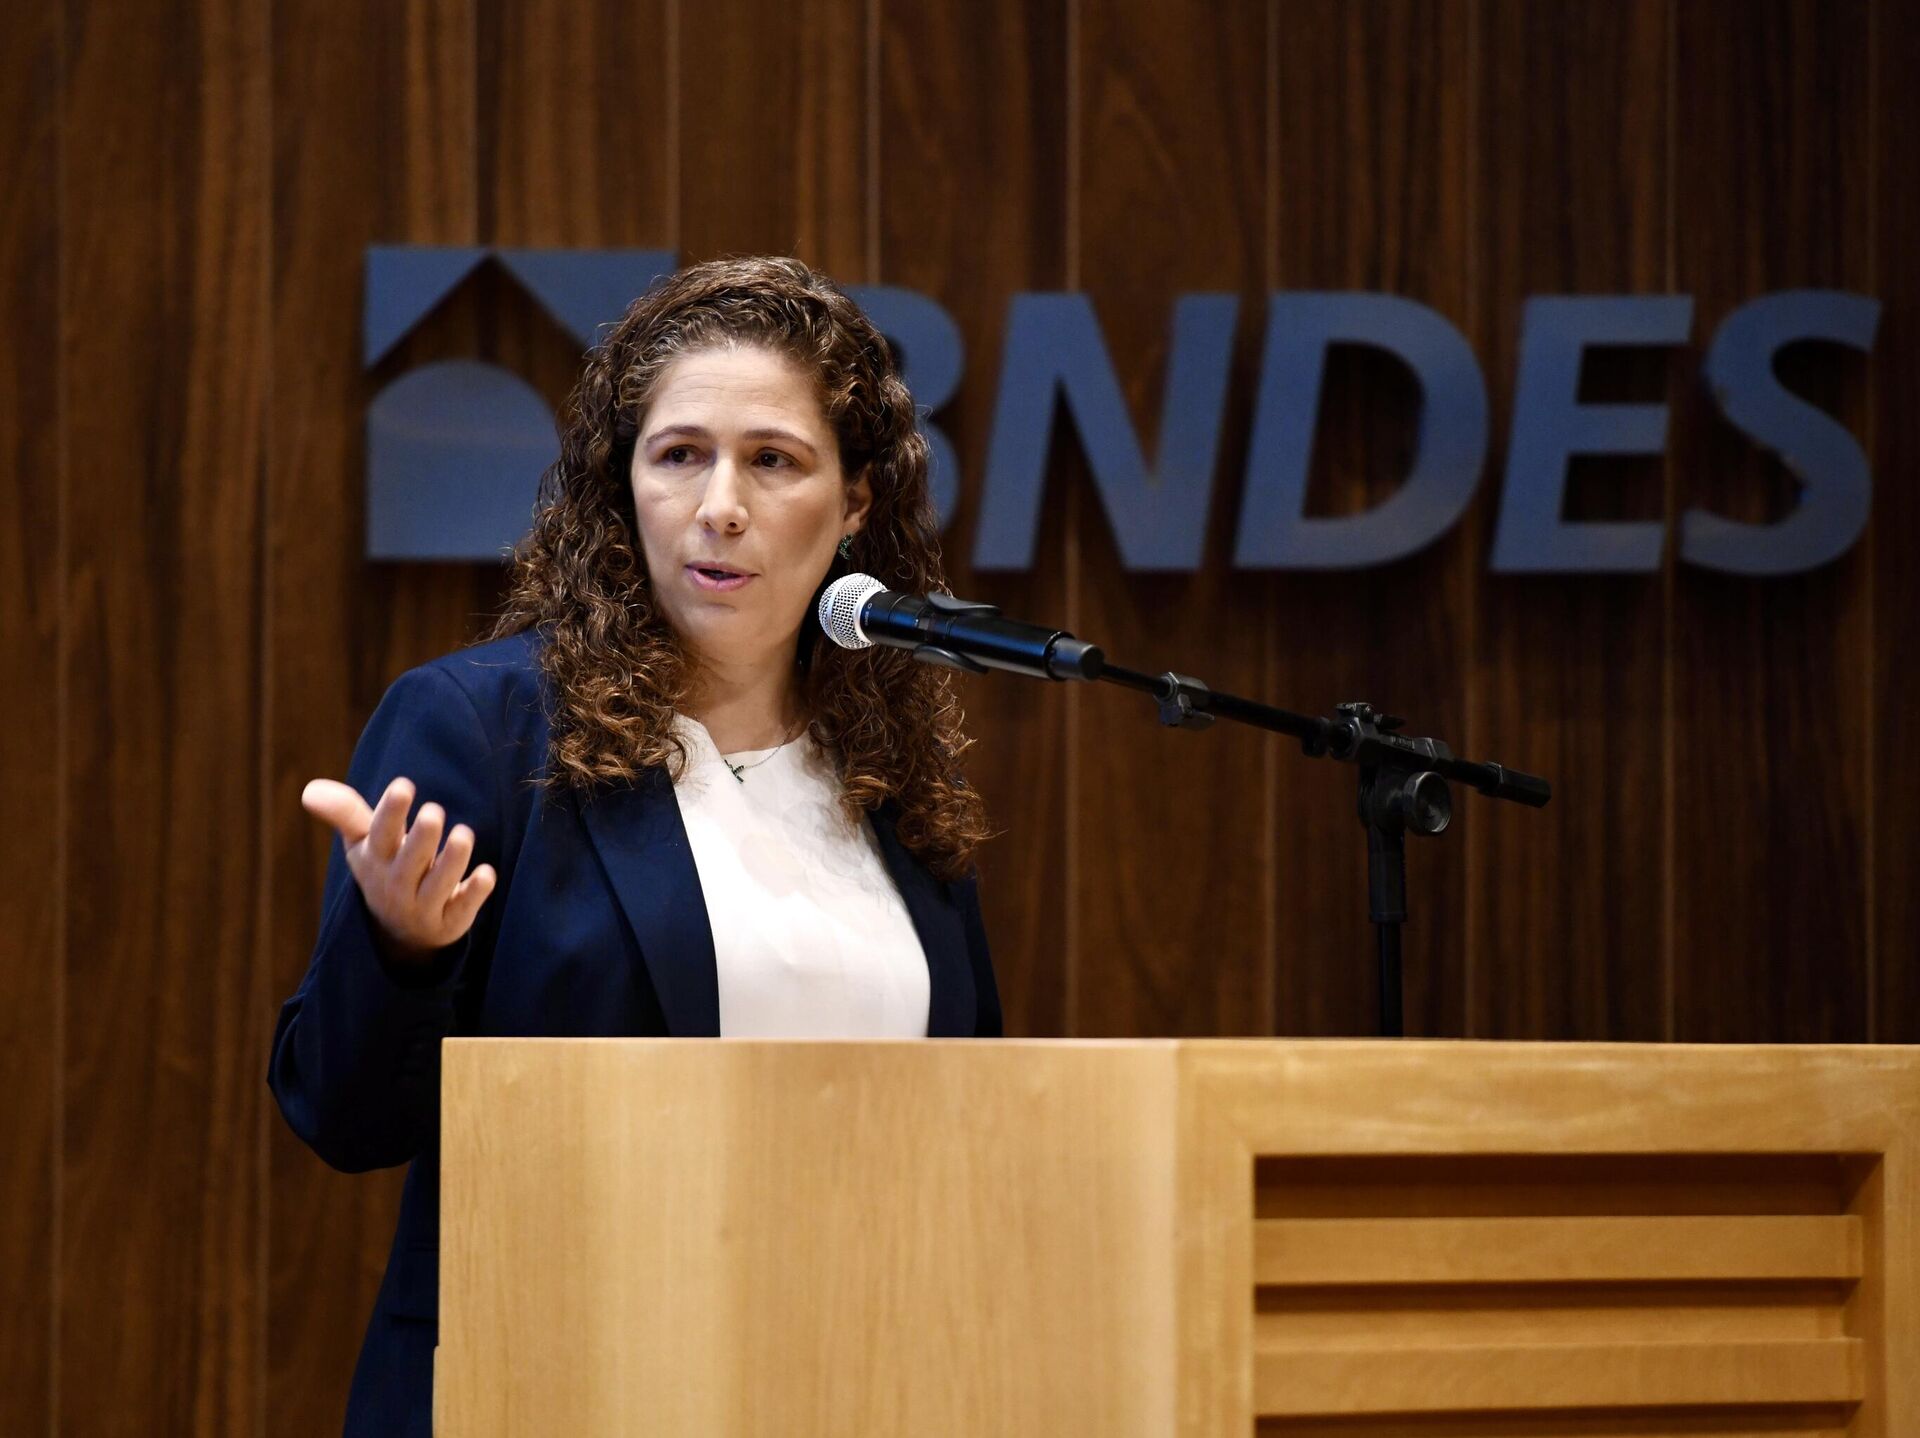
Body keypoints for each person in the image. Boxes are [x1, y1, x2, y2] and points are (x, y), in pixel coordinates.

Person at [269, 255, 1002, 1438]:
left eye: (774, 459)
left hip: (853, 1387)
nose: (722, 504)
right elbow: (342, 1119)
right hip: (554, 1385)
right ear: (625, 487)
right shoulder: (485, 730)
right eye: (679, 456)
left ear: (857, 501)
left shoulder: (893, 782)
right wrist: (403, 953)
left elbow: (975, 1129)